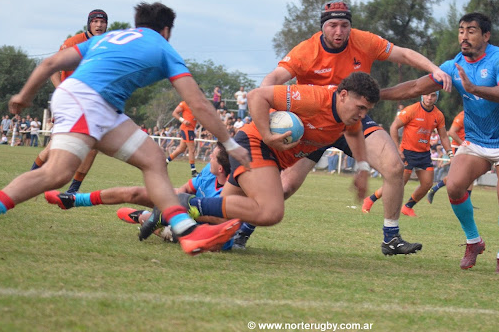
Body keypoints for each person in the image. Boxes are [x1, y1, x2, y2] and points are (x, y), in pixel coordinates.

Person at [0, 1, 251, 256]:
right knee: (57, 173)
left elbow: (50, 63)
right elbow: (199, 104)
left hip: (99, 105)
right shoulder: (163, 48)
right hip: (88, 101)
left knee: (154, 159)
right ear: (167, 31)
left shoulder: (107, 39)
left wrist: (24, 95)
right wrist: (229, 143)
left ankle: (187, 230)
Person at [252, 0, 451, 255]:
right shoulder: (306, 50)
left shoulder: (364, 41)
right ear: (323, 26)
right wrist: (269, 109)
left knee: (393, 167)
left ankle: (391, 238)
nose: (339, 32)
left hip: (353, 119)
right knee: (286, 187)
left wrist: (435, 69)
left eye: (344, 25)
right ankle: (243, 227)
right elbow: (273, 79)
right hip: (313, 123)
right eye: (332, 25)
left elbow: (403, 54)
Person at [140, 72, 381, 250]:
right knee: (270, 211)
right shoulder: (314, 99)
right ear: (343, 95)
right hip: (255, 144)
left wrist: (361, 169)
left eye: (366, 109)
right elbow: (257, 96)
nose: (362, 114)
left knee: (222, 220)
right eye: (360, 107)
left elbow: (354, 133)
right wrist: (267, 135)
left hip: (269, 157)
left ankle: (170, 213)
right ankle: (183, 202)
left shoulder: (349, 117)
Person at [380, 12, 499, 275]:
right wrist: (377, 94)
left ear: (486, 35)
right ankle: (474, 242)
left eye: (471, 30)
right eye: (461, 30)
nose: (464, 36)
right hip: (477, 141)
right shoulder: (453, 65)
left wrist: (474, 89)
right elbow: (416, 86)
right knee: (455, 187)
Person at [45, 144, 235, 248]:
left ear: (220, 168)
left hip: (210, 236)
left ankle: (143, 217)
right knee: (136, 192)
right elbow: (185, 188)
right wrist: (167, 200)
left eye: (212, 156)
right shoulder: (209, 173)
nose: (208, 156)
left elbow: (221, 220)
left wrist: (181, 207)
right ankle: (74, 199)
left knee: (169, 230)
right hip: (183, 211)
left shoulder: (232, 189)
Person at [31, 9, 110, 194]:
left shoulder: (108, 44)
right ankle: (31, 177)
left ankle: (73, 191)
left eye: (102, 22)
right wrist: (62, 91)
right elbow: (53, 69)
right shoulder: (73, 42)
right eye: (95, 21)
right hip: (70, 103)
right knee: (56, 146)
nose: (99, 25)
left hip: (93, 104)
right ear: (89, 23)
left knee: (92, 147)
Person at [361, 91, 452, 217]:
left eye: (433, 96)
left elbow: (444, 137)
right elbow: (394, 127)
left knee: (427, 184)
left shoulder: (438, 115)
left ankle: (408, 207)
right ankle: (370, 199)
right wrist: (397, 148)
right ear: (422, 95)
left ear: (437, 97)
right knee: (399, 183)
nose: (429, 98)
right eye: (427, 94)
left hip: (424, 154)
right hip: (407, 153)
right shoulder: (412, 110)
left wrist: (451, 154)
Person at [425, 110, 474, 204]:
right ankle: (433, 190)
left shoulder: (476, 115)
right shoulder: (462, 116)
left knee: (471, 175)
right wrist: (464, 144)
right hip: (458, 148)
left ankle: (468, 202)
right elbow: (451, 133)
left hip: (469, 149)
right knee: (456, 176)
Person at [166, 101, 198, 177]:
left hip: (191, 129)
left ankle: (165, 161)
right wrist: (183, 120)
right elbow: (174, 113)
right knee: (192, 149)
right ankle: (193, 171)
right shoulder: (184, 103)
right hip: (187, 129)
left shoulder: (196, 104)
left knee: (181, 149)